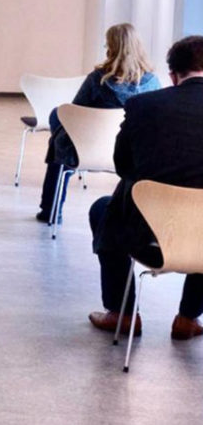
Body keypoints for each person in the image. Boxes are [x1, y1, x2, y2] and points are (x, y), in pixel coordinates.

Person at [87, 35, 203, 340]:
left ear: (173, 75)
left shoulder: (142, 106)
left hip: (149, 236)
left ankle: (123, 314)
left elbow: (123, 165)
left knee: (104, 209)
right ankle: (188, 317)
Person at [35, 23, 160, 222]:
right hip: (130, 153)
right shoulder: (152, 82)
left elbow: (75, 112)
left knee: (59, 123)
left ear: (111, 46)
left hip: (87, 150)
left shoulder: (97, 79)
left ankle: (51, 210)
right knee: (59, 124)